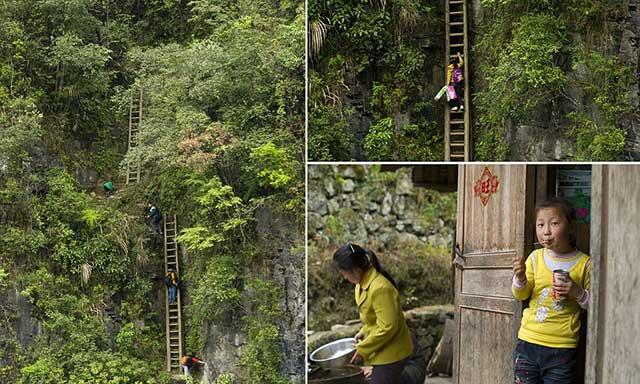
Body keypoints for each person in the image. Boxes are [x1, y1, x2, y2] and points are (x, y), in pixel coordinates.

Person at [511, 198, 591, 384]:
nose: (546, 231)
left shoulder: (585, 263)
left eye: (554, 223)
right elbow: (520, 295)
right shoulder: (535, 258)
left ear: (570, 227)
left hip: (562, 348)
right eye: (540, 225)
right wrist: (520, 278)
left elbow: (596, 306)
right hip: (528, 342)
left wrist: (577, 292)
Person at [333, 243, 413, 384]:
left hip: (392, 352)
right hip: (381, 348)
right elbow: (374, 318)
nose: (344, 277)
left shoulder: (380, 288)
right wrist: (364, 331)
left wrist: (362, 348)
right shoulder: (361, 284)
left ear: (356, 270)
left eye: (344, 273)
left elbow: (387, 326)